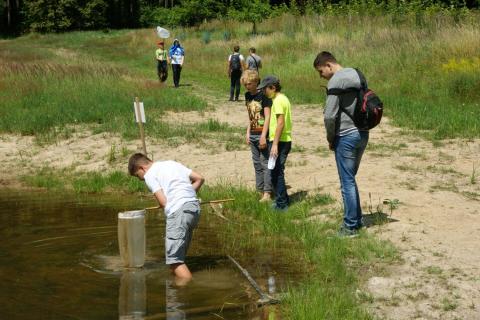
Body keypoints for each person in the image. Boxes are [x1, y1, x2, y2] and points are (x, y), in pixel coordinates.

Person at [313, 51, 369, 238]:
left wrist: (330, 138)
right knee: (350, 179)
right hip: (363, 133)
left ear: (329, 65)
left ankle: (350, 227)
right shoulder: (357, 73)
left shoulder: (336, 81)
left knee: (347, 182)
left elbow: (329, 116)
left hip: (345, 135)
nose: (321, 76)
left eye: (321, 71)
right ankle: (357, 219)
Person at [128, 153, 204, 283]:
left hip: (179, 212)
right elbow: (199, 178)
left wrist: (172, 201)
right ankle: (177, 283)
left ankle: (188, 289)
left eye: (137, 175)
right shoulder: (171, 163)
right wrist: (187, 194)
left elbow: (163, 203)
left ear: (142, 168)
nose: (140, 179)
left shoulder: (149, 175)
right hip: (193, 209)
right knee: (178, 258)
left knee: (175, 261)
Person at [257, 75, 292, 211]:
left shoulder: (277, 101)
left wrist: (275, 144)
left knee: (276, 172)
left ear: (273, 87)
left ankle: (281, 204)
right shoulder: (283, 99)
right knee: (276, 170)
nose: (263, 92)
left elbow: (281, 123)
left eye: (265, 89)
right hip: (282, 140)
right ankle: (283, 200)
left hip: (280, 142)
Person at [241, 70, 273, 202]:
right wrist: (248, 132)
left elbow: (267, 117)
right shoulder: (247, 96)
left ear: (255, 82)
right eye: (245, 84)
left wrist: (263, 135)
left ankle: (268, 192)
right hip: (253, 133)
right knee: (256, 163)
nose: (247, 86)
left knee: (265, 163)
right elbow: (251, 116)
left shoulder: (263, 96)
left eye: (249, 84)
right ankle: (259, 190)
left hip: (262, 134)